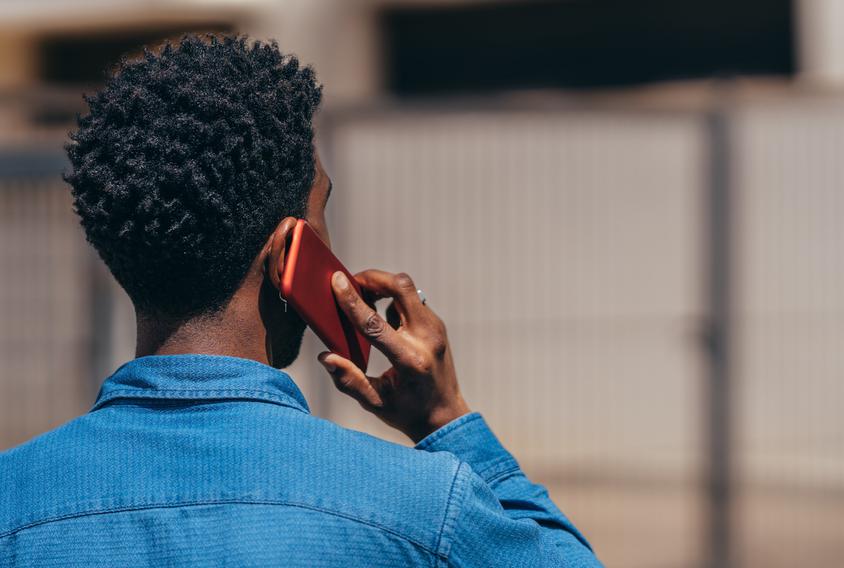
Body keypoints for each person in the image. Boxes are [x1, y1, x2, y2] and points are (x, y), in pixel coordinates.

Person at [0, 34, 602, 567]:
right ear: (293, 250)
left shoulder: (11, 504)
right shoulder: (425, 509)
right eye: (322, 212)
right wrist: (448, 423)